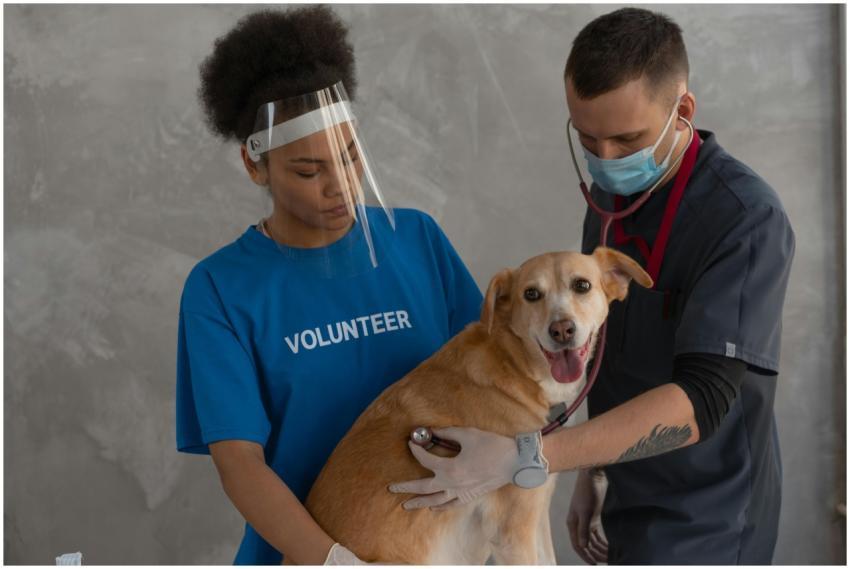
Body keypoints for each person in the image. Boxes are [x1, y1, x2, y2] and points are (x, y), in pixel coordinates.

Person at [389, 7, 795, 565]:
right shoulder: (610, 200)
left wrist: (530, 455)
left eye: (626, 140)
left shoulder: (745, 220)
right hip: (628, 490)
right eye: (587, 138)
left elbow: (703, 399)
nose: (605, 160)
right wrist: (594, 470)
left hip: (710, 517)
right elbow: (597, 345)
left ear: (683, 111)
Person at [175, 6, 482, 565]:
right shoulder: (220, 289)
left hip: (439, 547)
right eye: (309, 171)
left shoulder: (416, 239)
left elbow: (492, 379)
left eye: (349, 156)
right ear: (255, 164)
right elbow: (240, 464)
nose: (339, 187)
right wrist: (335, 561)